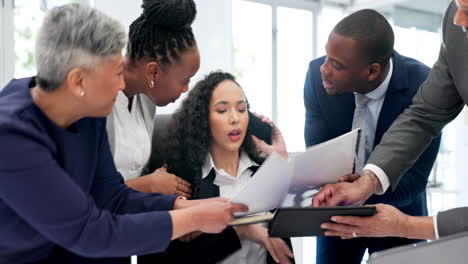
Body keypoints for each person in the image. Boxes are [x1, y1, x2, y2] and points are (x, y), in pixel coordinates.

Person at [0, 4, 246, 263]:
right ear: (78, 81)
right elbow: (89, 231)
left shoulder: (88, 112)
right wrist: (191, 218)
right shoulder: (11, 136)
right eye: (117, 73)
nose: (122, 84)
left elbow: (112, 196)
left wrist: (181, 206)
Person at [315, 0, 468, 241]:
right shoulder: (456, 22)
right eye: (461, 6)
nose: (460, 20)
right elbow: (424, 115)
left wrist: (406, 225)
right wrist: (367, 182)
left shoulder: (416, 76)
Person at [303, 9, 441, 263]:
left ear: (372, 71)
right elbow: (318, 155)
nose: (324, 69)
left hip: (398, 214)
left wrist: (362, 190)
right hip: (337, 214)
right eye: (326, 56)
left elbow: (415, 178)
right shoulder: (316, 77)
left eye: (336, 64)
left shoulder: (423, 85)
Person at [140, 71, 294, 264]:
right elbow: (167, 258)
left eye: (241, 109)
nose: (234, 118)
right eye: (222, 111)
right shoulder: (181, 182)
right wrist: (239, 230)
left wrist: (282, 166)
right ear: (203, 118)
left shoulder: (265, 172)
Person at [107, 0, 198, 199]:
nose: (186, 89)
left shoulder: (146, 100)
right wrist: (145, 185)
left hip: (130, 212)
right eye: (184, 80)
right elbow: (80, 192)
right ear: (154, 72)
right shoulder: (92, 100)